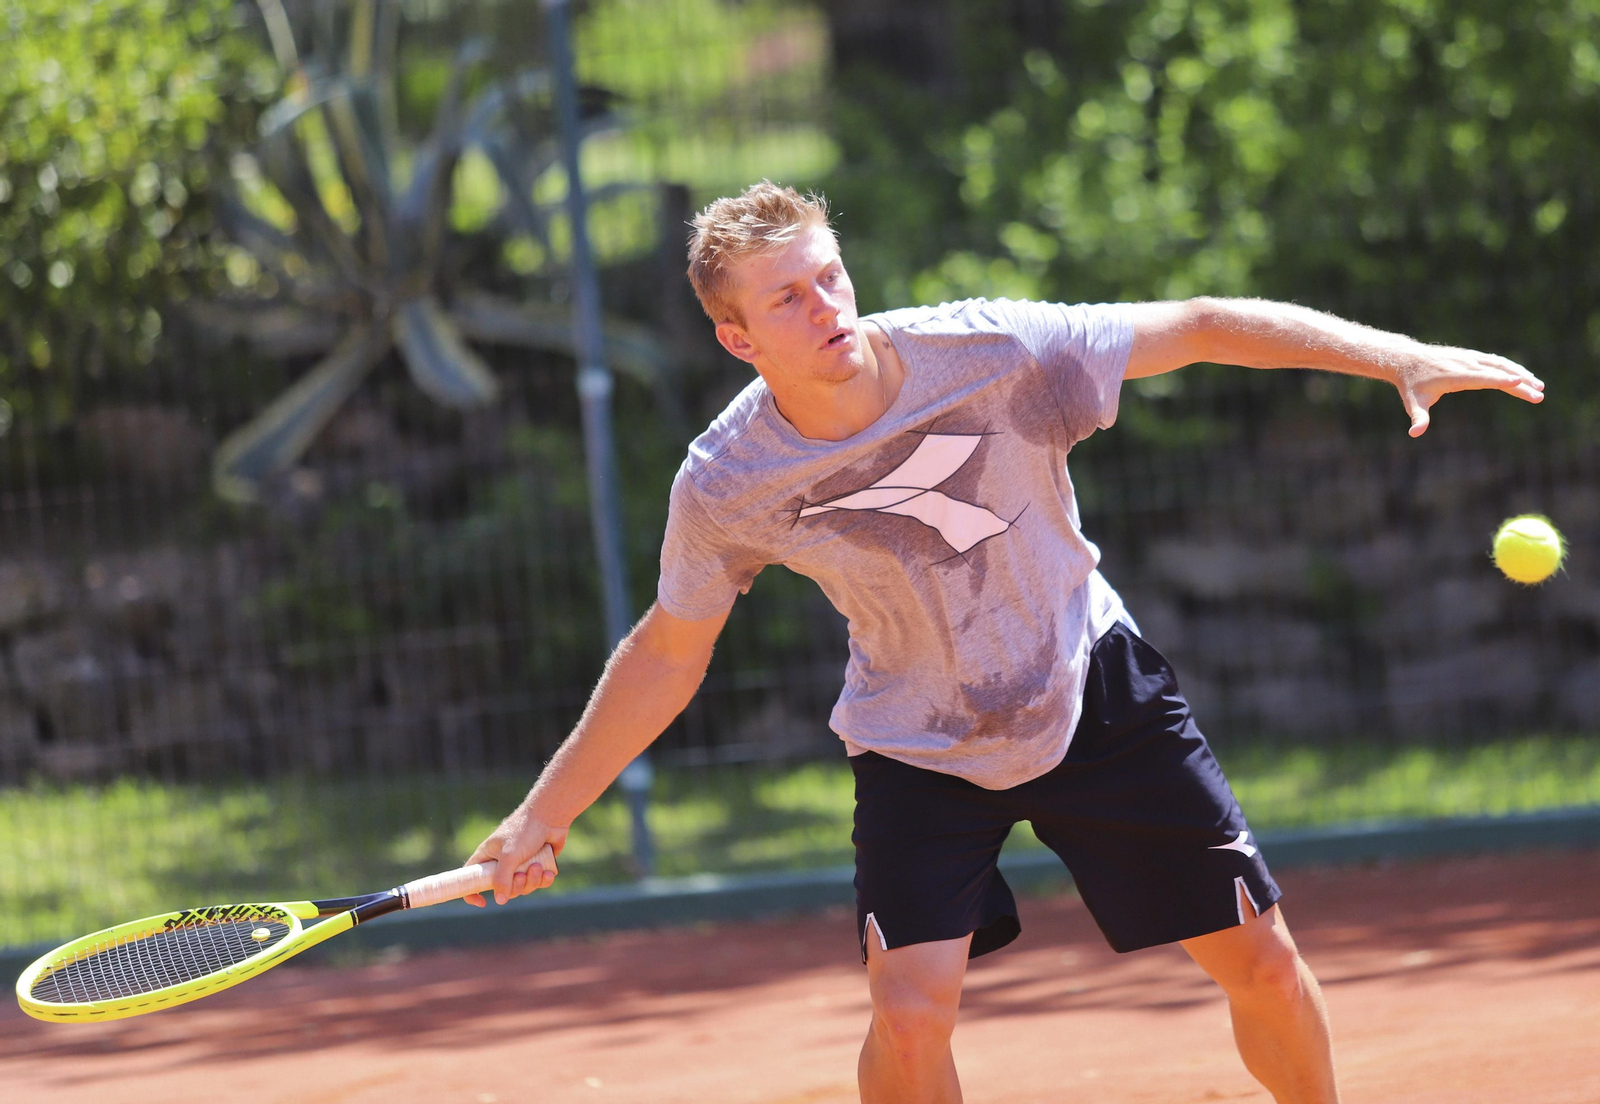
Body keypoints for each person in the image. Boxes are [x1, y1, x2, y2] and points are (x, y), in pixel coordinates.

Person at [464, 181, 1544, 1103]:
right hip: (920, 737)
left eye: (830, 275)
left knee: (1259, 963)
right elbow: (668, 650)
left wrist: (1395, 355)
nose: (826, 306)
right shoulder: (728, 480)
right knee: (908, 1006)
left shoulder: (995, 351)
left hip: (1089, 687)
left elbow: (1206, 320)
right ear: (736, 338)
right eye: (787, 299)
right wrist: (539, 817)